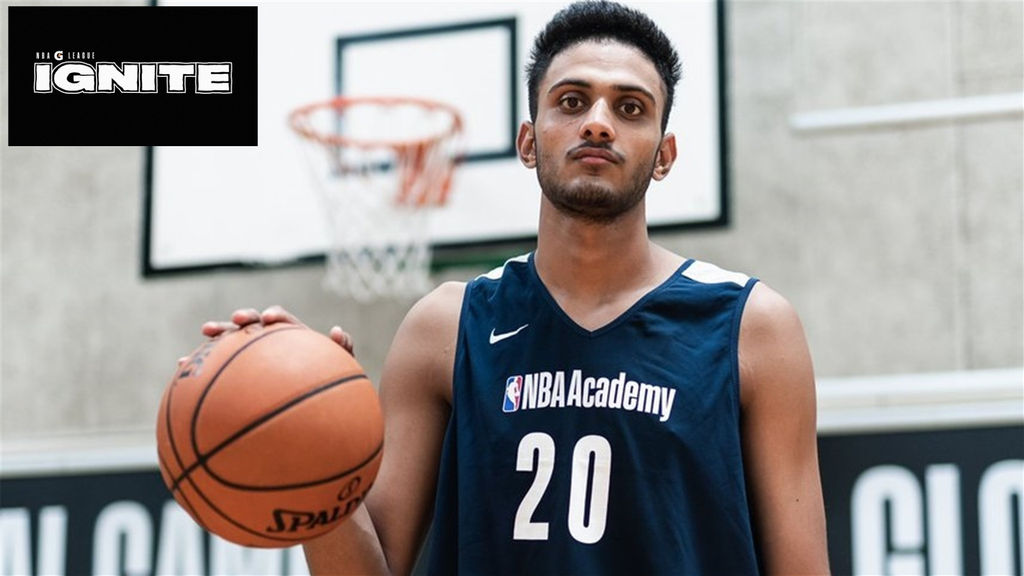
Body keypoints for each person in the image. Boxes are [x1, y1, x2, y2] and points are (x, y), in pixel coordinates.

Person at [202, 2, 829, 573]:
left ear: (664, 155)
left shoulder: (750, 327)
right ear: (529, 142)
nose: (598, 124)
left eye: (630, 108)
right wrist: (315, 439)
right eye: (572, 102)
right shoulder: (446, 327)